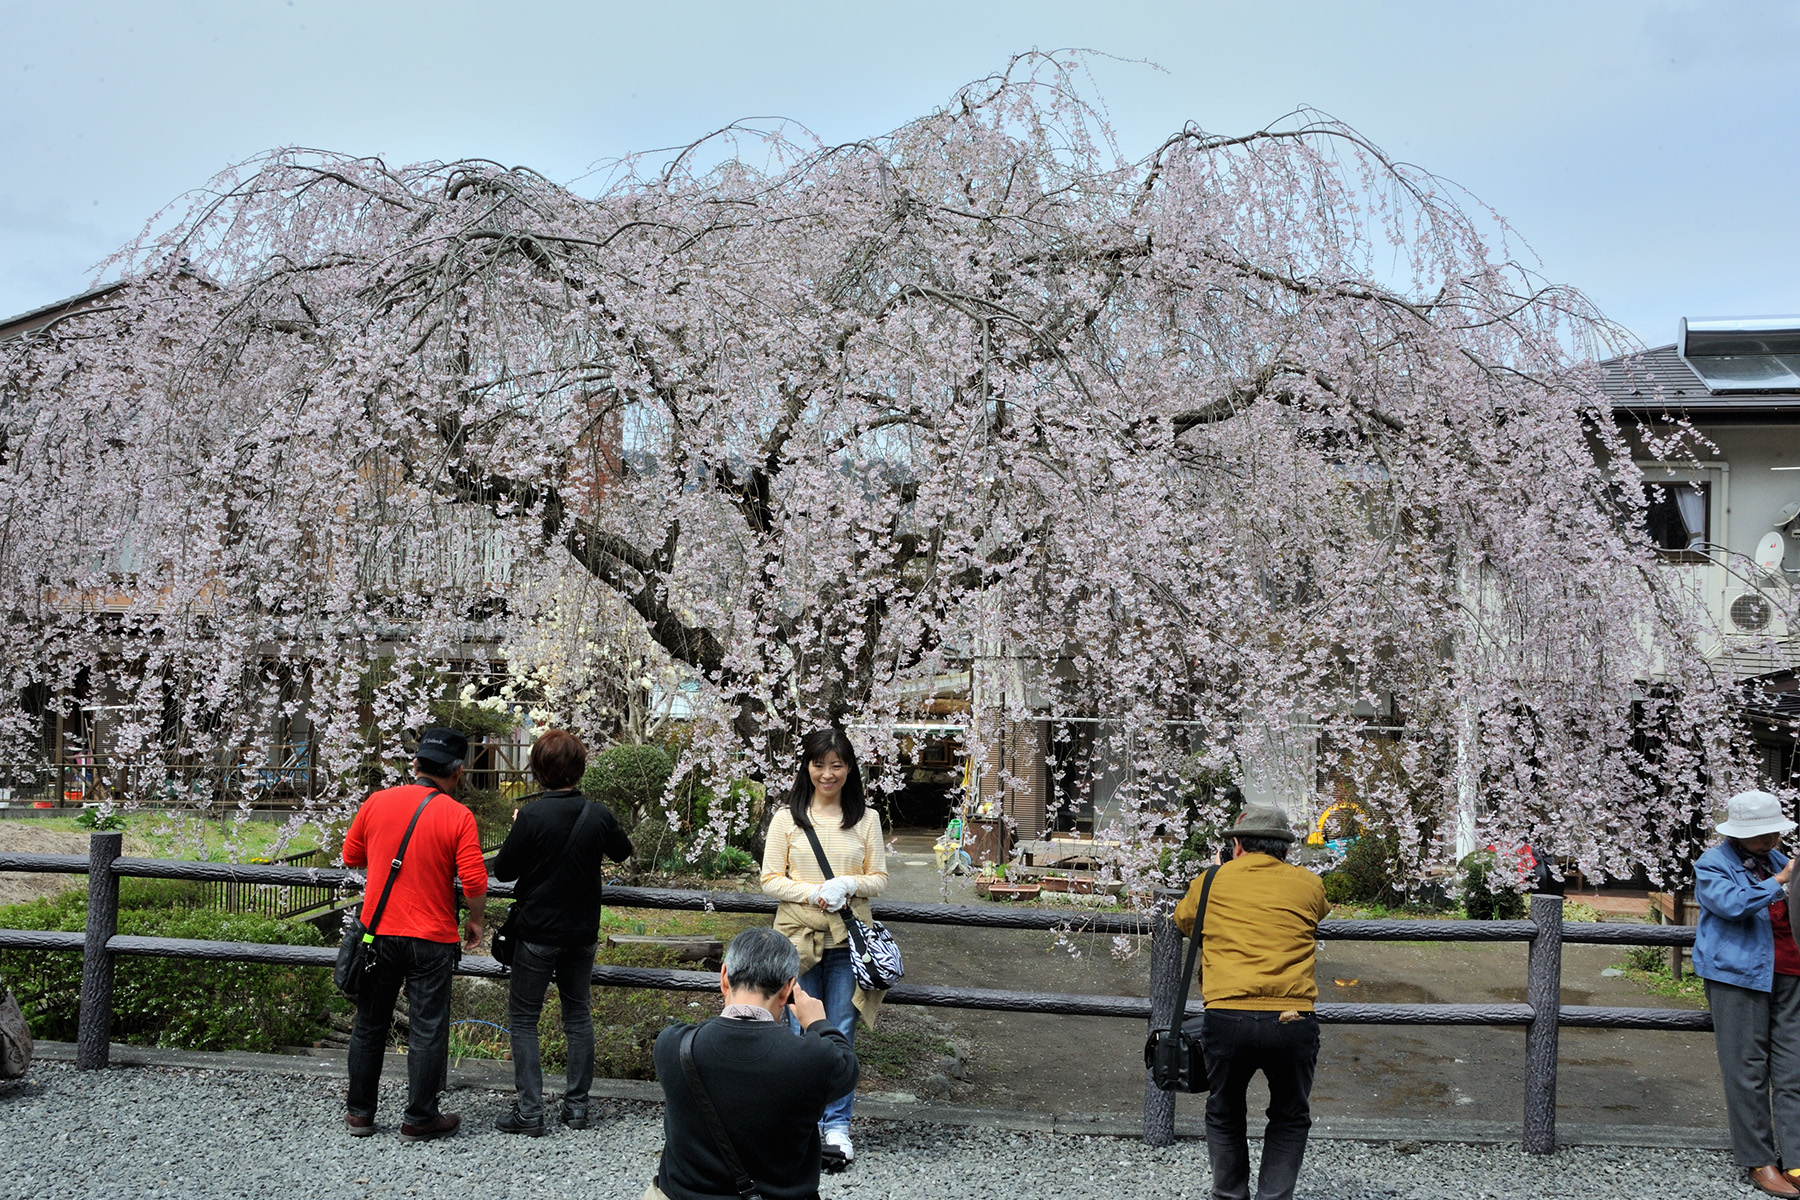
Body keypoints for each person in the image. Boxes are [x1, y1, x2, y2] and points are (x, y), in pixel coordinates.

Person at [1173, 802, 1330, 1200]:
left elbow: (1184, 922)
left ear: (1237, 845)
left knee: (1224, 1112)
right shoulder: (1309, 883)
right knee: (1290, 1116)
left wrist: (1220, 872)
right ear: (1285, 850)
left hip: (1227, 1015)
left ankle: (1229, 1196)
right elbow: (1316, 916)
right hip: (1293, 1018)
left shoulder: (1211, 881)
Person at [341, 727, 488, 1141]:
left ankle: (359, 1114)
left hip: (378, 933)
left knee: (369, 1024)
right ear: (457, 773)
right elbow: (475, 880)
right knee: (427, 1027)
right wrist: (475, 921)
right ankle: (420, 1118)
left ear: (416, 765)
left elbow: (352, 855)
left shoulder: (376, 802)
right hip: (432, 937)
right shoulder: (458, 815)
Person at [489, 728, 634, 1136]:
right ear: (581, 768)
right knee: (577, 1017)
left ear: (537, 770)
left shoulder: (532, 815)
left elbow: (504, 871)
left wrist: (519, 826)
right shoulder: (597, 813)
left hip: (537, 932)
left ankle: (530, 1111)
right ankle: (576, 1108)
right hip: (582, 932)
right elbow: (622, 851)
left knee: (523, 1019)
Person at [647, 927, 859, 1200]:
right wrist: (817, 1022)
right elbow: (847, 1065)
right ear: (787, 990)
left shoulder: (673, 1045)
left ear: (724, 977)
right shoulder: (810, 1060)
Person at [759, 727, 888, 1169]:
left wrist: (850, 883)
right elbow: (770, 878)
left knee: (840, 1032)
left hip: (848, 944)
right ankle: (802, 1125)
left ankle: (837, 1127)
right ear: (807, 767)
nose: (827, 773)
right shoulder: (786, 819)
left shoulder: (866, 819)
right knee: (797, 1034)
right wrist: (814, 894)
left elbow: (880, 879)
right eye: (819, 764)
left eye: (836, 765)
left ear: (850, 769)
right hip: (797, 941)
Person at [1694, 790, 1800, 1197]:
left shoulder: (1777, 858)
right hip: (1737, 974)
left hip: (1790, 971)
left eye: (1772, 833)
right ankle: (1759, 1159)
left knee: (1794, 1067)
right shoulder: (1713, 863)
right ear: (1736, 833)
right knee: (1747, 1068)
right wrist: (1780, 882)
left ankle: (1796, 1157)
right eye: (1760, 835)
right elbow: (1731, 904)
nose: (1769, 841)